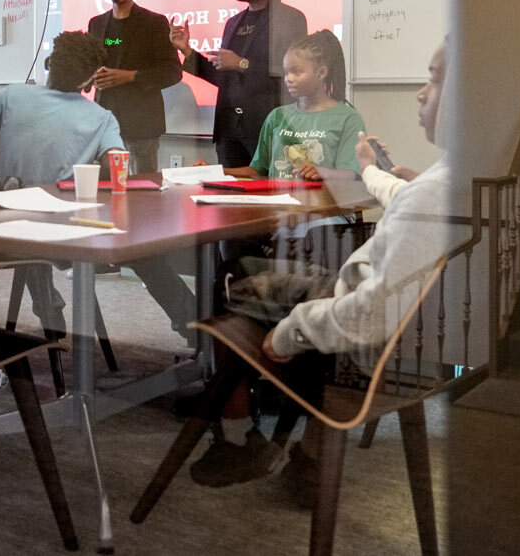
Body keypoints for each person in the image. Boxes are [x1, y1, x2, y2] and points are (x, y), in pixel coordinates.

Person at [192, 40, 459, 492]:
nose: (420, 92)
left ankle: (250, 431)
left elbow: (365, 313)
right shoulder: (444, 177)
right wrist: (381, 173)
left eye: (434, 79)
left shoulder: (422, 182)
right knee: (241, 266)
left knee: (228, 285)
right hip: (335, 280)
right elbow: (399, 195)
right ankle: (293, 433)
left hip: (342, 292)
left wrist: (289, 332)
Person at [0, 31, 197, 339]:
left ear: (49, 63)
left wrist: (3, 137)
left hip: (6, 227)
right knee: (138, 249)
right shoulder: (101, 118)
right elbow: (118, 169)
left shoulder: (11, 97)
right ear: (89, 83)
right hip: (70, 233)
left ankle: (51, 314)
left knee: (30, 228)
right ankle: (195, 327)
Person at [170, 0, 308, 169]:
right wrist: (187, 51)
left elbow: (293, 73)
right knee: (228, 196)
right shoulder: (233, 23)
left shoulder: (291, 18)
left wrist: (243, 64)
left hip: (266, 127)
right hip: (229, 130)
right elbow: (222, 77)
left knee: (268, 195)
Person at [225, 30, 364, 182]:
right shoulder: (277, 116)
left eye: (297, 72)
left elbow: (351, 176)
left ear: (321, 73)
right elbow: (257, 170)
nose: (288, 79)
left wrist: (323, 172)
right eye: (286, 72)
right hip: (279, 204)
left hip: (322, 205)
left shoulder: (348, 118)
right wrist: (216, 171)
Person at [86, 0, 183, 173]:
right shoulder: (97, 23)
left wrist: (130, 76)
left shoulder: (154, 23)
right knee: (107, 192)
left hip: (142, 124)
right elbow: (90, 64)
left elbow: (173, 71)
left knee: (144, 192)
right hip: (105, 120)